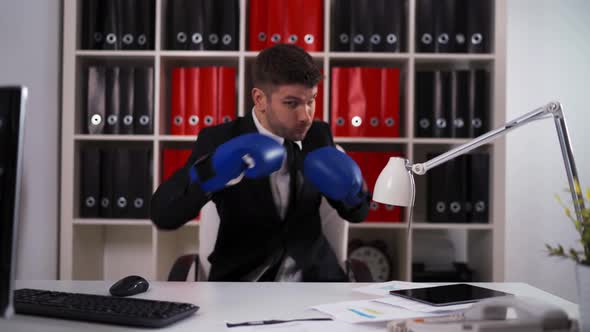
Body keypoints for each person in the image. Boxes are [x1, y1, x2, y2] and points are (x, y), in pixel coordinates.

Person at [150, 44, 370, 282]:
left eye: (311, 100)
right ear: (260, 99)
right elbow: (164, 215)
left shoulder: (317, 135)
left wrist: (355, 191)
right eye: (292, 103)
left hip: (314, 282)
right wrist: (209, 174)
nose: (306, 116)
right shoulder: (221, 138)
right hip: (242, 285)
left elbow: (357, 214)